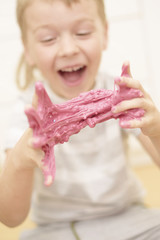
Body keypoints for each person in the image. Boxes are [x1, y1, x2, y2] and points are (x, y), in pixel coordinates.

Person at [1, 0, 160, 239]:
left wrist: (156, 130)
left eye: (82, 32)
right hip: (56, 229)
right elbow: (11, 218)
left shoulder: (120, 94)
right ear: (28, 49)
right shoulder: (27, 112)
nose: (68, 49)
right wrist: (20, 160)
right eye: (48, 39)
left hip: (128, 217)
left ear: (104, 34)